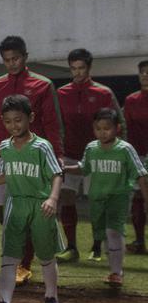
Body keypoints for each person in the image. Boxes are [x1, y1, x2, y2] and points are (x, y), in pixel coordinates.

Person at [0, 36, 63, 285]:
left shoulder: (42, 85)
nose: (11, 64)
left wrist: (55, 159)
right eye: (6, 60)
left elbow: (53, 126)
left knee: (27, 210)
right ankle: (27, 242)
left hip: (33, 160)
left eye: (15, 59)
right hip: (2, 155)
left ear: (25, 56)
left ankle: (24, 264)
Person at [0, 95, 65, 303]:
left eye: (19, 120)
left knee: (45, 255)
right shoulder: (5, 146)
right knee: (10, 255)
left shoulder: (42, 146)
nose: (14, 125)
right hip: (16, 204)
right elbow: (9, 174)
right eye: (8, 121)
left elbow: (56, 174)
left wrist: (52, 199)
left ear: (30, 118)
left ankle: (51, 298)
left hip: (40, 204)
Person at [62, 109, 148, 288]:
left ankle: (117, 273)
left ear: (117, 128)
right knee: (104, 235)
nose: (102, 132)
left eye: (107, 128)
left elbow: (140, 174)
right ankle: (114, 270)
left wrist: (146, 198)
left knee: (114, 231)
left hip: (118, 198)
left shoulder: (125, 149)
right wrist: (66, 168)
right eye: (98, 128)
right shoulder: (92, 148)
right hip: (97, 199)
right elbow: (84, 168)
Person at [55, 48, 119, 262]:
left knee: (97, 203)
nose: (77, 72)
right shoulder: (62, 93)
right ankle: (71, 247)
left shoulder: (103, 93)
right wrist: (58, 152)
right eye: (73, 68)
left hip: (96, 155)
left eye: (81, 68)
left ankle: (97, 246)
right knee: (67, 197)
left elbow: (119, 125)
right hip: (70, 154)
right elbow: (55, 125)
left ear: (89, 68)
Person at [124, 60, 148, 253]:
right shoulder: (132, 100)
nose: (145, 75)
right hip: (139, 155)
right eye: (142, 73)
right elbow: (126, 128)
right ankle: (140, 241)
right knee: (138, 197)